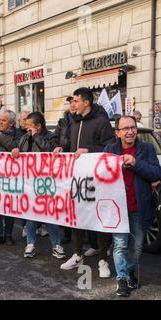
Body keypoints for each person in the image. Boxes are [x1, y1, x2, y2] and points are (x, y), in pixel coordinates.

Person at [55, 87, 116, 278]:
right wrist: (61, 149)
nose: (72, 104)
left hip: (98, 180)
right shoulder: (73, 123)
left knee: (99, 219)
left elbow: (110, 148)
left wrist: (88, 150)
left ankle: (102, 260)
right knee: (77, 218)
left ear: (86, 102)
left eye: (75, 100)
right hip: (77, 179)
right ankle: (78, 254)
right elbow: (73, 148)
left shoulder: (101, 122)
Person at [104, 115, 161, 297]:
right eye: (125, 129)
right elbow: (100, 173)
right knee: (120, 245)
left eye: (133, 127)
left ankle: (128, 271)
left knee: (136, 248)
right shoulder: (110, 149)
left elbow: (155, 173)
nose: (130, 131)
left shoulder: (147, 148)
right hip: (117, 208)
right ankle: (121, 279)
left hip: (140, 206)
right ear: (117, 133)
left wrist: (136, 164)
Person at [11, 112, 65, 259]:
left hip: (47, 182)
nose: (26, 128)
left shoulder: (51, 136)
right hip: (30, 183)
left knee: (50, 215)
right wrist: (15, 150)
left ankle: (56, 245)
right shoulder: (24, 137)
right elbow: (18, 148)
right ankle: (30, 243)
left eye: (29, 126)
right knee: (31, 215)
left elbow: (49, 150)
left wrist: (36, 137)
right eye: (26, 125)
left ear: (39, 126)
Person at [0, 109, 24, 247]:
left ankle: (8, 235)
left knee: (8, 206)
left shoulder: (19, 134)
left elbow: (16, 148)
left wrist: (0, 137)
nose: (0, 122)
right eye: (0, 120)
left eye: (4, 120)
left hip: (10, 177)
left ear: (12, 123)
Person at [55, 96, 76, 244]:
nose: (73, 105)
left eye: (75, 102)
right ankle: (68, 232)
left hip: (77, 163)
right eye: (71, 103)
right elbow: (56, 139)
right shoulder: (62, 122)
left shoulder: (81, 120)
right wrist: (58, 147)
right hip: (63, 165)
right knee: (66, 200)